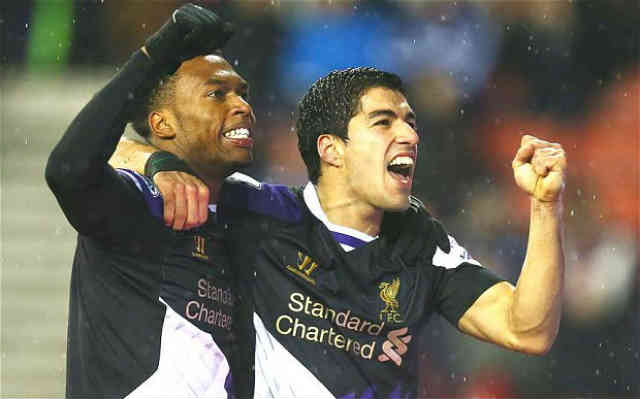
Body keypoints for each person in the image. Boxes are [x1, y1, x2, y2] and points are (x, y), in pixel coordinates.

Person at [112, 67, 567, 397]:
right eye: (383, 121)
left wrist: (546, 206)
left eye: (410, 122)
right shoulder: (256, 212)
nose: (408, 134)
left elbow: (527, 330)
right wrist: (160, 165)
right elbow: (113, 154)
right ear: (331, 150)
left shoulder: (421, 243)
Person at [45, 4, 254, 397]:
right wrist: (152, 55)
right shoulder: (138, 206)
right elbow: (68, 167)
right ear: (161, 124)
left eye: (243, 93)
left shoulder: (252, 212)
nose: (243, 106)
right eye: (217, 95)